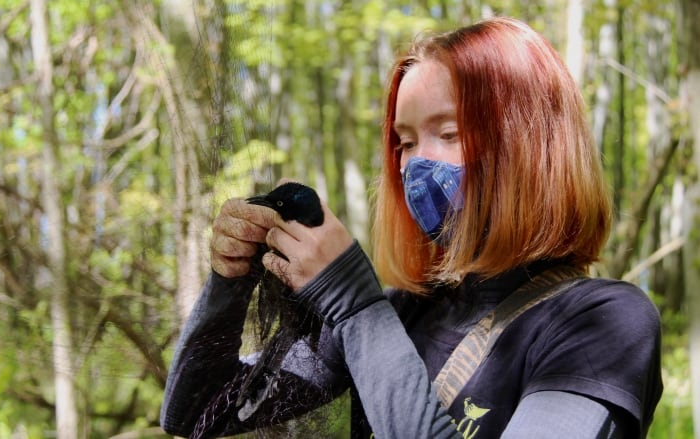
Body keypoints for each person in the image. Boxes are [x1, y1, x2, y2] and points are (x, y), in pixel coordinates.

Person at [160, 16, 662, 439]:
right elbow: (197, 410)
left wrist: (353, 303)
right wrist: (231, 280)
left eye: (448, 133)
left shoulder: (605, 322)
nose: (416, 165)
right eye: (404, 142)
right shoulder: (403, 312)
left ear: (532, 147)